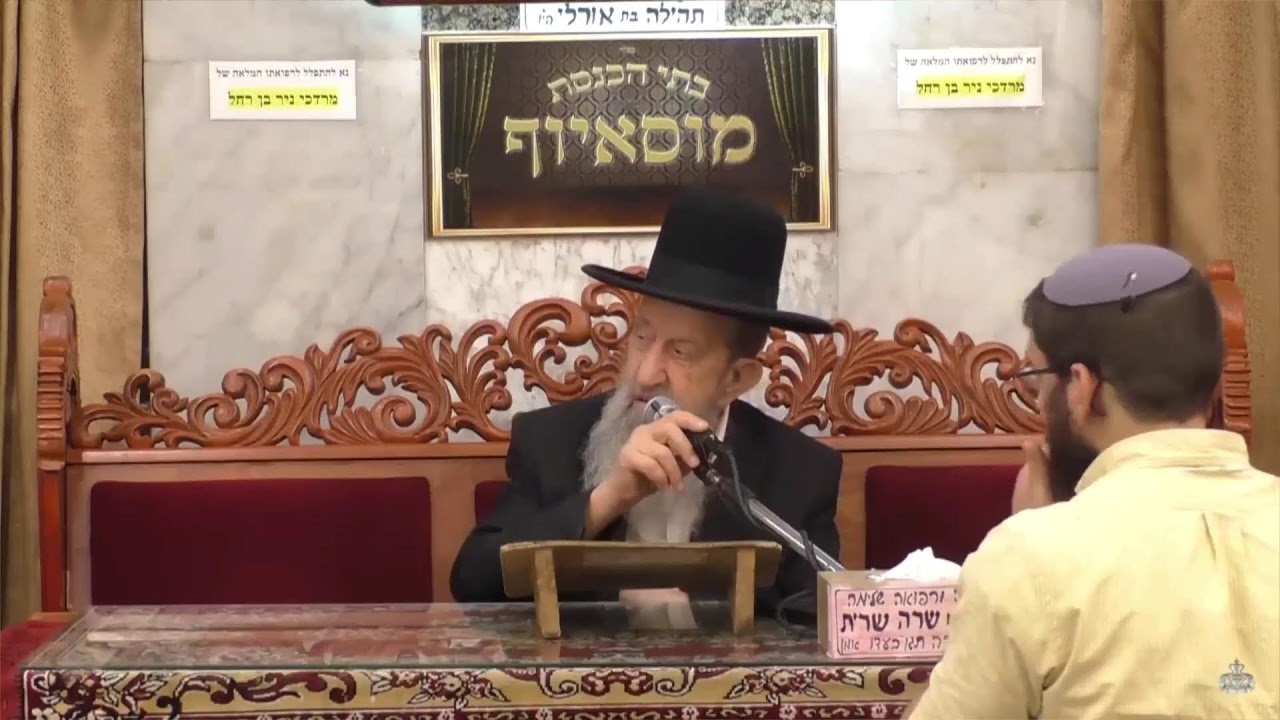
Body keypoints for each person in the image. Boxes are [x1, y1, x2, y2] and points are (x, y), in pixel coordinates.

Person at [908, 244, 1279, 719]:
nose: (1038, 402)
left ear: (1083, 388)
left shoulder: (1028, 558)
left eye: (1038, 380)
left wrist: (1037, 545)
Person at [448, 188, 843, 616]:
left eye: (680, 352)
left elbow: (814, 616)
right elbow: (473, 583)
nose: (645, 373)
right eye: (642, 337)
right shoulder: (549, 441)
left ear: (736, 379)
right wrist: (611, 497)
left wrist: (695, 613)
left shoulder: (800, 473)